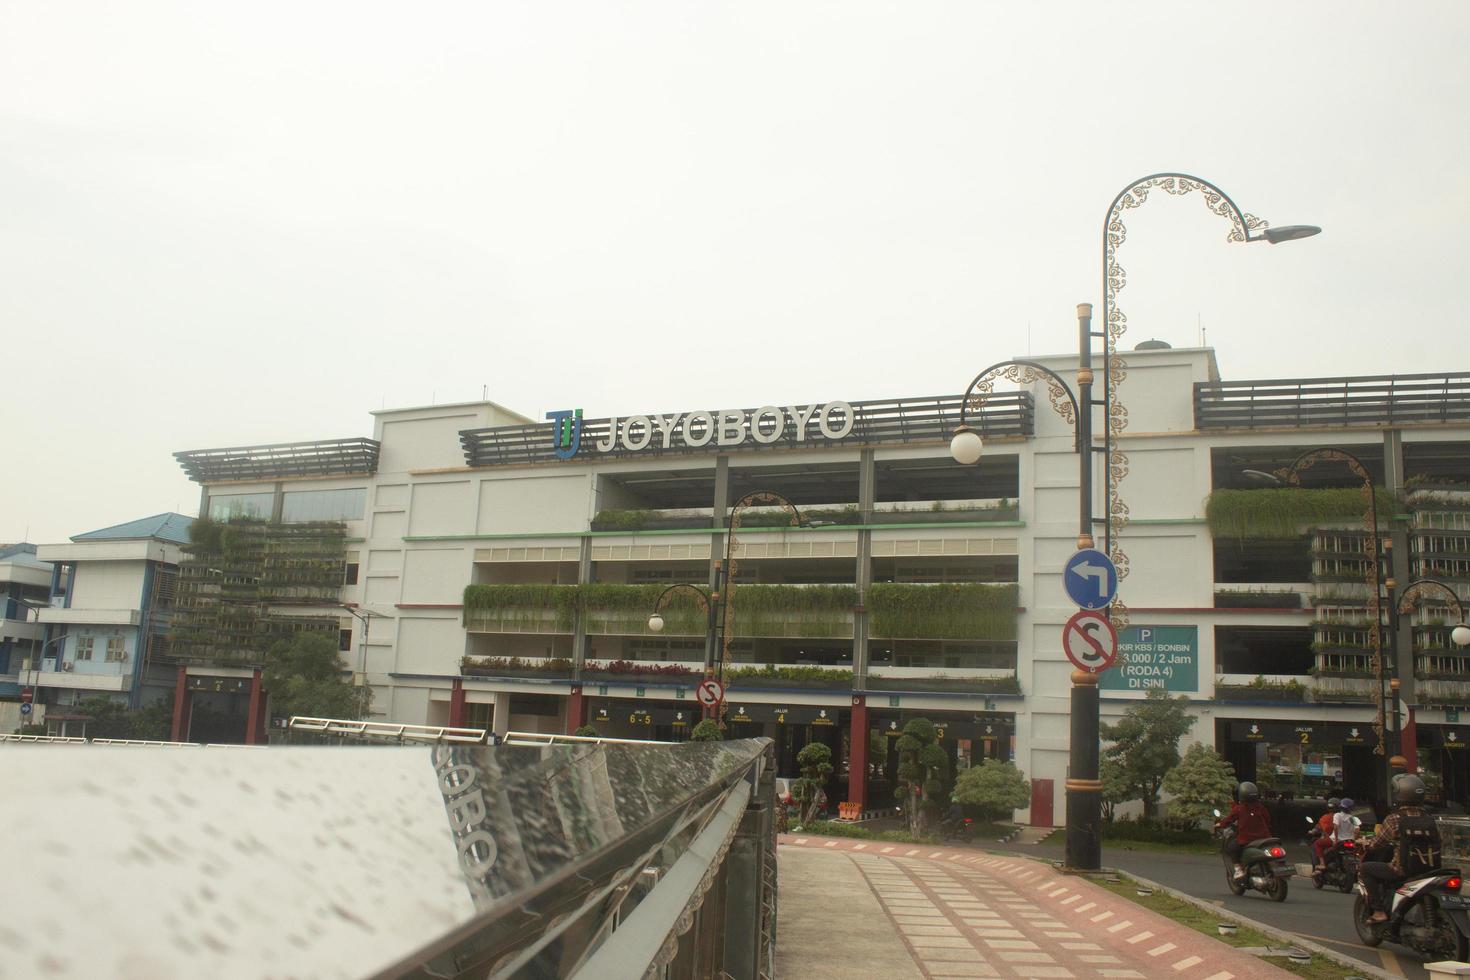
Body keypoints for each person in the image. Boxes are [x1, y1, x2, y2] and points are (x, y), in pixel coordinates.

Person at [1358, 775, 1442, 923]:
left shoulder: (1394, 818)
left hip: (1402, 869)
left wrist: (1367, 844)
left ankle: (1379, 911)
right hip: (1430, 869)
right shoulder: (1430, 818)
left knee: (1365, 868)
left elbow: (1378, 844)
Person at [1215, 781, 1273, 881]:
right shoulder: (1261, 807)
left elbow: (1229, 820)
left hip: (1247, 839)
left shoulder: (1239, 809)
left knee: (1232, 847)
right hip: (1264, 837)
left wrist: (1219, 824)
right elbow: (1268, 819)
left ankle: (1238, 869)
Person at [1312, 798, 1341, 871]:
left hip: (1333, 840)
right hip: (1346, 840)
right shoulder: (1346, 817)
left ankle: (1322, 864)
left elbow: (1319, 828)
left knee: (1317, 843)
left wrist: (1312, 831)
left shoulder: (1325, 818)